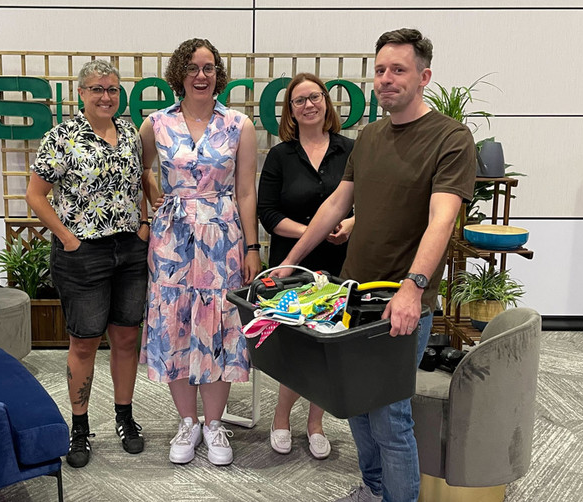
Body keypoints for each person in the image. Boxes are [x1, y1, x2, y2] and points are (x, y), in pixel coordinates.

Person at [271, 28, 476, 502]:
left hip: (401, 302)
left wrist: (413, 287)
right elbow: (335, 206)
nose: (386, 79)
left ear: (424, 76)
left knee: (390, 416)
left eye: (398, 70)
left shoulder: (450, 138)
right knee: (357, 406)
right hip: (353, 296)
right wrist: (292, 261)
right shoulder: (370, 137)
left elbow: (440, 221)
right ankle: (374, 489)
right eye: (380, 70)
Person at [138, 38, 260, 466]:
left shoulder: (238, 125)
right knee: (177, 324)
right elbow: (142, 170)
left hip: (222, 236)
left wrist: (252, 245)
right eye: (192, 67)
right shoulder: (156, 124)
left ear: (218, 74)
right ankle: (186, 422)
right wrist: (149, 200)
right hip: (171, 238)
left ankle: (213, 423)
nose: (201, 75)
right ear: (179, 74)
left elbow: (246, 191)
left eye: (208, 67)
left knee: (221, 325)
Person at [26, 60, 149, 468]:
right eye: (97, 89)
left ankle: (124, 417)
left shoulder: (130, 132)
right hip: (83, 254)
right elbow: (36, 195)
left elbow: (141, 180)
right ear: (81, 93)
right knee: (84, 341)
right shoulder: (62, 137)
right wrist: (67, 238)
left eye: (112, 89)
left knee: (127, 337)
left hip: (130, 250)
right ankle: (80, 426)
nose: (105, 96)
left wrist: (144, 223)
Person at [257, 73, 355, 460]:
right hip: (291, 265)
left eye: (314, 97)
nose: (308, 105)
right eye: (299, 101)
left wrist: (349, 223)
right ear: (291, 112)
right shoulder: (281, 156)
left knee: (328, 345)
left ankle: (316, 423)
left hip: (340, 259)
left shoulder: (350, 150)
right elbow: (267, 212)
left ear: (327, 103)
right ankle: (281, 417)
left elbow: (365, 202)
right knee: (295, 346)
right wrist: (313, 232)